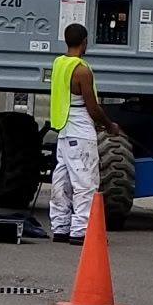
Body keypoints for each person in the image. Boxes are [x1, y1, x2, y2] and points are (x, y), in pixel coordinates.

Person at [48, 22, 121, 241]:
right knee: (85, 183)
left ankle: (60, 226)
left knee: (62, 180)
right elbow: (93, 107)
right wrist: (109, 125)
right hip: (80, 132)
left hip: (64, 128)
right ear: (84, 42)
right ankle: (81, 230)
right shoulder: (82, 71)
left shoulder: (59, 64)